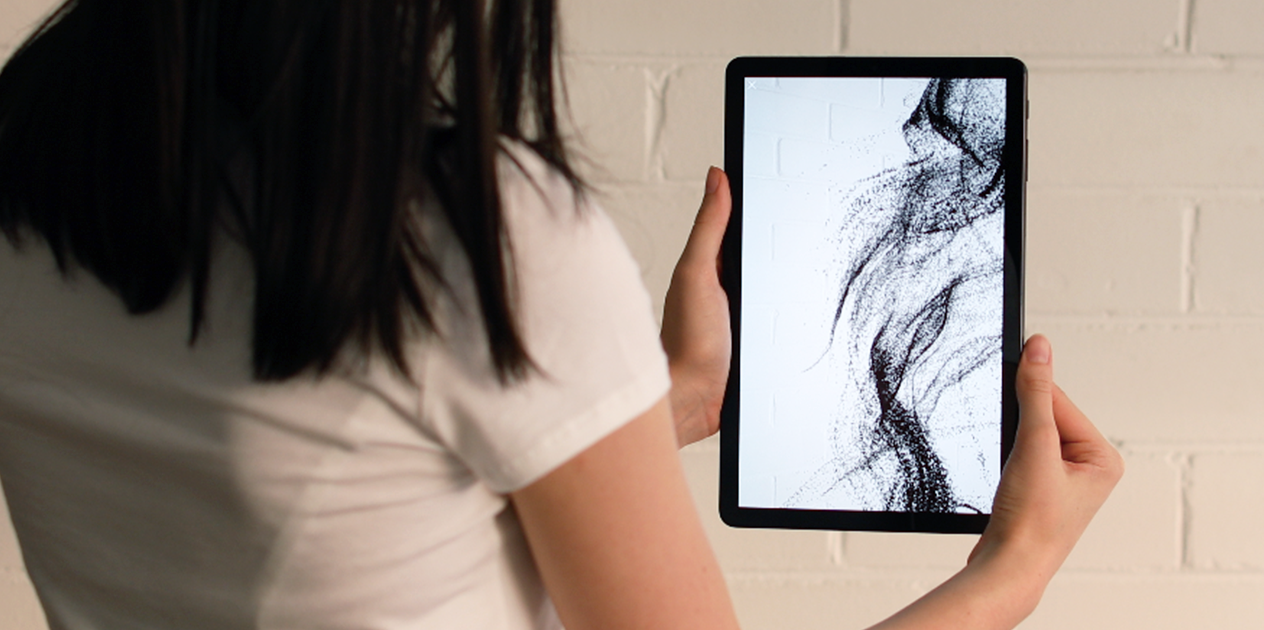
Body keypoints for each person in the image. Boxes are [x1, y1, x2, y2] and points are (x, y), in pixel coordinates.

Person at [0, 1, 1122, 629]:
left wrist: (664, 403)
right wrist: (1010, 569)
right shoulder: (466, 229)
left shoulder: (36, 166)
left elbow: (331, 486)